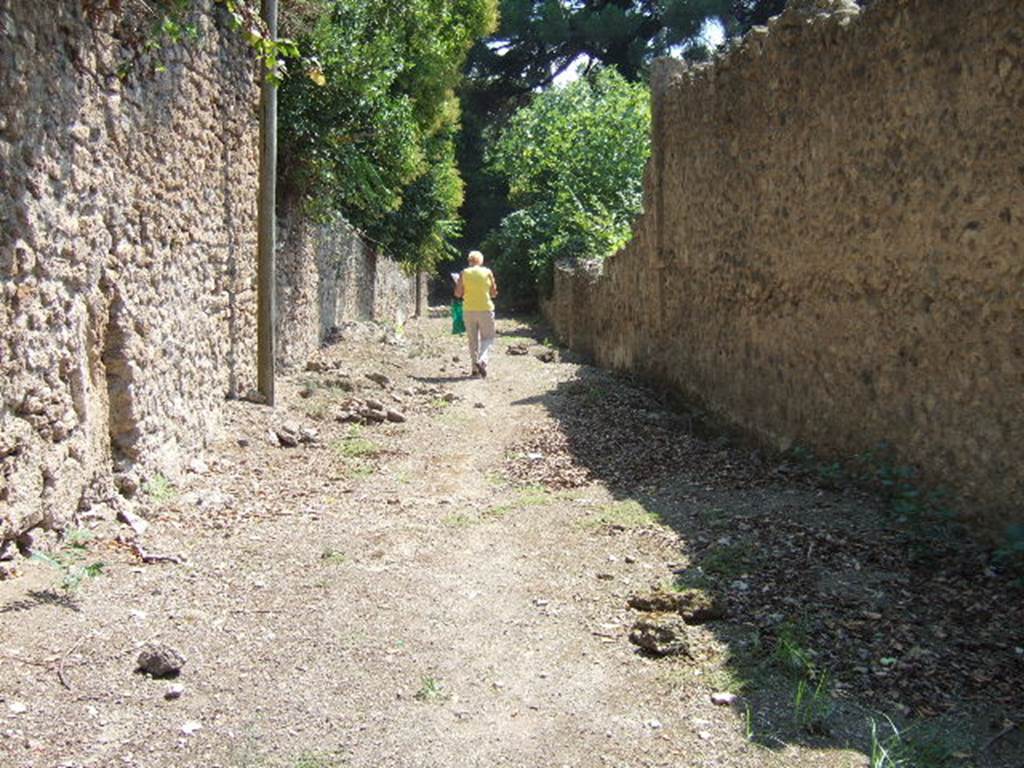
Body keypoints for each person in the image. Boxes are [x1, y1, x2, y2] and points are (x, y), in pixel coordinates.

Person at [454, 250, 498, 378]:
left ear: (469, 261)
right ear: (481, 261)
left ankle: (474, 368)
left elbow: (457, 293)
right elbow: (494, 292)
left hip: (468, 310)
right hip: (485, 309)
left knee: (472, 340)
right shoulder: (488, 272)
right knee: (488, 338)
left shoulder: (464, 273)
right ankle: (482, 360)